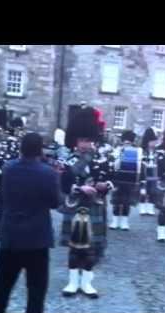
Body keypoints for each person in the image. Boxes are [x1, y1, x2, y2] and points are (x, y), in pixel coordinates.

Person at [0, 133, 60, 313]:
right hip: (36, 239)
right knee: (36, 293)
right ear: (40, 150)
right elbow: (55, 202)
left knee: (1, 288)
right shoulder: (48, 173)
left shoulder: (8, 168)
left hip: (11, 236)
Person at [58, 106, 114, 298]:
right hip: (76, 206)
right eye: (82, 140)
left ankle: (87, 283)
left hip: (95, 206)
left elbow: (111, 180)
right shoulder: (68, 160)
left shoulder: (101, 159)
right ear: (75, 140)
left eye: (89, 140)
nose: (85, 144)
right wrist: (80, 188)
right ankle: (72, 282)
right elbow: (64, 184)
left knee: (91, 248)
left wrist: (102, 186)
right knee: (75, 248)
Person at [109, 130, 142, 231]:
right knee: (116, 201)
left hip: (130, 179)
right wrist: (119, 156)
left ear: (132, 141)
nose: (127, 143)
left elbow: (140, 166)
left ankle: (124, 221)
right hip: (118, 178)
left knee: (127, 201)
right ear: (122, 141)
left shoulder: (138, 151)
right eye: (125, 141)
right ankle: (115, 221)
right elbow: (113, 165)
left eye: (129, 141)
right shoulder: (117, 150)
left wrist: (139, 180)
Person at [139, 127, 159, 216]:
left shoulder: (157, 151)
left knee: (152, 191)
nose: (154, 143)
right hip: (144, 172)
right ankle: (142, 207)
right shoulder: (142, 151)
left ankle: (150, 208)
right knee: (143, 191)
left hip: (154, 173)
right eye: (152, 141)